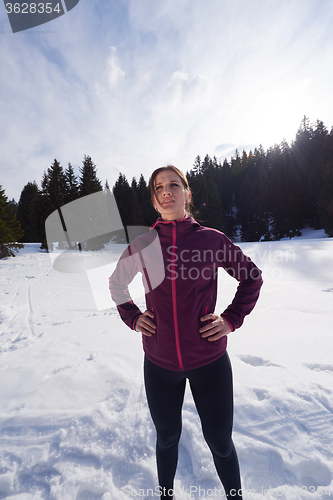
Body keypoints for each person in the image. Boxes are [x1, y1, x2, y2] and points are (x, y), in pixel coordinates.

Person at [109, 165, 263, 499]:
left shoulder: (211, 240)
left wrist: (231, 319)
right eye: (159, 187)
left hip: (209, 362)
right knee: (166, 437)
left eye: (174, 185)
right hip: (160, 364)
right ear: (154, 199)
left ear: (187, 194)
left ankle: (234, 497)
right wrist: (134, 317)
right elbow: (117, 284)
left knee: (220, 442)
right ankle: (166, 494)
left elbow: (252, 277)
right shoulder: (143, 244)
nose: (167, 191)